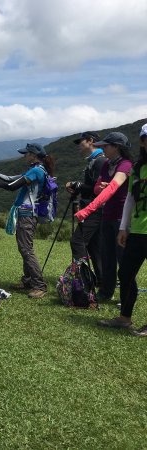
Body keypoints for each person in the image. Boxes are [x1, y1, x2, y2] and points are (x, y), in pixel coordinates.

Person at [0, 143, 55, 299]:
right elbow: (11, 178)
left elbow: (11, 186)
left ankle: (39, 285)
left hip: (27, 215)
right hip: (28, 214)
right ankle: (28, 280)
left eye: (26, 154)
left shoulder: (36, 171)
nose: (24, 156)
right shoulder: (36, 169)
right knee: (25, 248)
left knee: (26, 250)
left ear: (33, 155)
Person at [97, 124, 147, 332]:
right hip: (136, 230)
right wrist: (123, 228)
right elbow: (130, 200)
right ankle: (124, 318)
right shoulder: (137, 168)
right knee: (125, 273)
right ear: (142, 142)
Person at [75, 132, 133, 303]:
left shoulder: (126, 164)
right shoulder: (106, 164)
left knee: (123, 259)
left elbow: (113, 188)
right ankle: (106, 292)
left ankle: (127, 295)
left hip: (121, 219)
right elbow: (97, 189)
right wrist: (102, 188)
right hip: (106, 216)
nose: (102, 148)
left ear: (116, 147)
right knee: (107, 256)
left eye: (106, 146)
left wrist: (87, 210)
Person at [65, 131, 106, 286]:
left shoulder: (99, 161)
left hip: (95, 209)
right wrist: (79, 187)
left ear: (90, 141)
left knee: (77, 241)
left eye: (81, 142)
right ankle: (102, 281)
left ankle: (83, 279)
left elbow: (98, 189)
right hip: (96, 208)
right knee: (95, 246)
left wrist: (77, 185)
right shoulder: (95, 160)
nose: (78, 147)